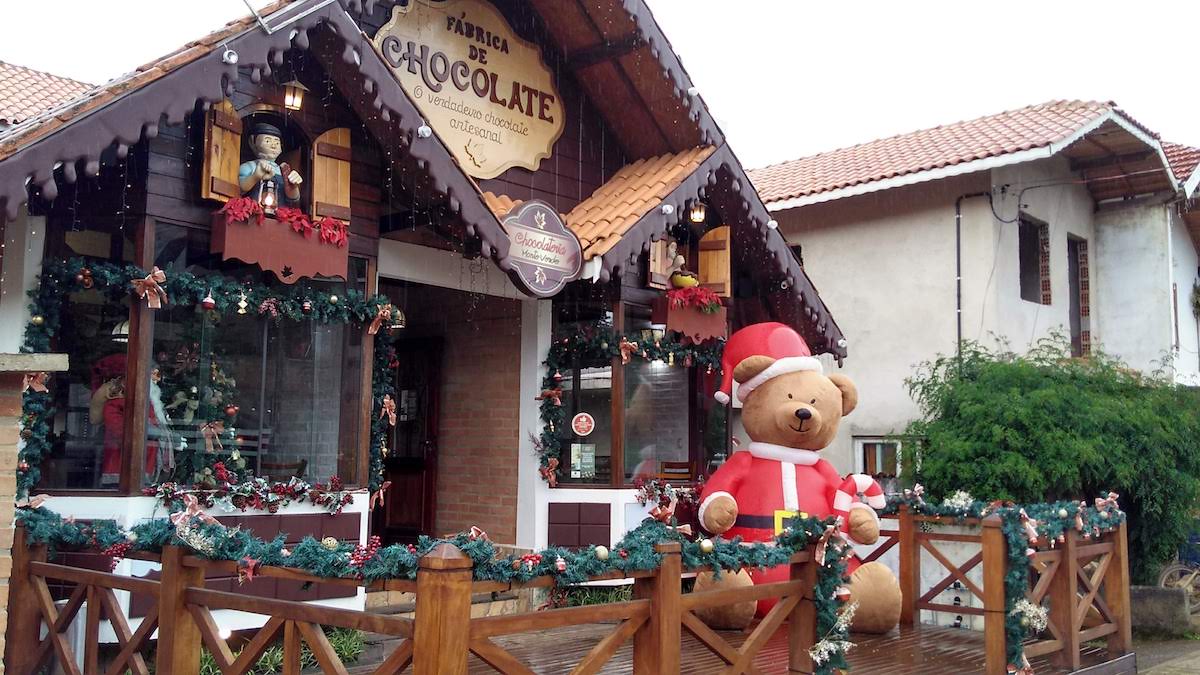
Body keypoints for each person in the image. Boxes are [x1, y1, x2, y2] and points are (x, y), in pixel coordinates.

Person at [238, 121, 302, 206]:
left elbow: (293, 201)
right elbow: (239, 189)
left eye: (277, 143)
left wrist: (293, 187)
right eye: (268, 141)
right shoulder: (249, 167)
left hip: (279, 214)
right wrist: (255, 176)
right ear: (252, 142)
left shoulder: (283, 171)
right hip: (253, 211)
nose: (273, 146)